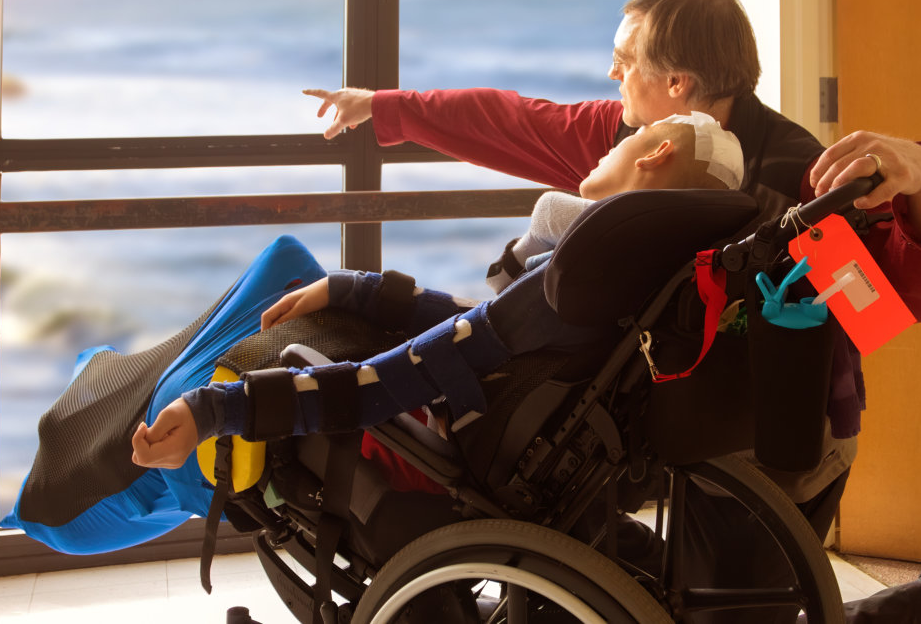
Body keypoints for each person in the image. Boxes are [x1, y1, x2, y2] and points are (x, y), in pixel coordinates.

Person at [301, 0, 921, 624]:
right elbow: (516, 122)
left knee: (735, 616)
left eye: (624, 61)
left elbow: (913, 291)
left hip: (779, 433)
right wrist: (383, 109)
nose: (612, 76)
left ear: (677, 84)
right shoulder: (640, 141)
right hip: (677, 420)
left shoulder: (789, 178)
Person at [129, 111, 743, 468]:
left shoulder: (577, 274)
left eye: (628, 136)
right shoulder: (627, 276)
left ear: (656, 152)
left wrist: (216, 412)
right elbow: (476, 322)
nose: (613, 140)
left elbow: (383, 383)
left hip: (455, 452)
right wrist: (349, 288)